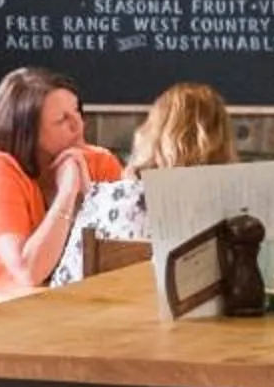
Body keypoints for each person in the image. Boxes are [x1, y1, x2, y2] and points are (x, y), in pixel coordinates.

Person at [0, 67, 122, 311]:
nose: (78, 125)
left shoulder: (100, 162)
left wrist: (89, 195)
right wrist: (67, 193)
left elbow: (124, 251)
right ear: (28, 132)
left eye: (77, 112)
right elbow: (28, 272)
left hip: (58, 306)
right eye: (62, 120)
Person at [50, 81, 235, 285]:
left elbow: (64, 286)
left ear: (151, 132)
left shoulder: (108, 200)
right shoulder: (235, 210)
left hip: (110, 305)